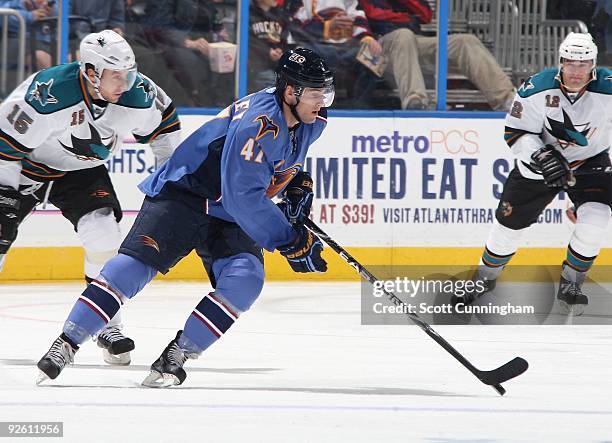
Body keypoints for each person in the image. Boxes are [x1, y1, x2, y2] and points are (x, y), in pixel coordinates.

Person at [36, 47, 333, 387]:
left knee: (245, 280)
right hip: (184, 195)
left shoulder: (311, 119)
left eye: (325, 91)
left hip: (225, 210)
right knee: (131, 268)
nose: (322, 100)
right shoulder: (259, 125)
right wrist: (289, 240)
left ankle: (177, 354)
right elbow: (244, 196)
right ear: (290, 91)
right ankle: (67, 342)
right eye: (315, 92)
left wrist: (296, 181)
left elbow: (273, 163)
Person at [0, 30, 181, 363]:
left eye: (128, 73)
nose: (125, 82)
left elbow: (165, 130)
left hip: (82, 171)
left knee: (104, 235)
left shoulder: (138, 92)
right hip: (26, 166)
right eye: (116, 75)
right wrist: (5, 198)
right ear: (91, 71)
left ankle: (106, 323)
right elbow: (5, 147)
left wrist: (170, 183)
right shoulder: (49, 94)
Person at [457, 33, 611, 316]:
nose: (576, 71)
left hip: (590, 164)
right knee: (508, 230)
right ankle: (484, 279)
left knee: (597, 219)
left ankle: (571, 282)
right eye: (570, 63)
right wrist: (540, 155)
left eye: (584, 64)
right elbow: (516, 132)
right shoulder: (535, 89)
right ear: (561, 62)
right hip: (538, 167)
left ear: (594, 64)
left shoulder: (609, 88)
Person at [358, 0, 515, 110]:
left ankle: (507, 99)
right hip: (377, 45)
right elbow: (367, 15)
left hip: (412, 41)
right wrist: (401, 16)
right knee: (403, 35)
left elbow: (426, 15)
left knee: (466, 41)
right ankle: (416, 102)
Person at [290, 0, 381, 108]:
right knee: (308, 57)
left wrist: (367, 37)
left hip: (348, 44)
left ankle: (361, 107)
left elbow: (357, 16)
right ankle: (316, 105)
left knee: (372, 56)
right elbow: (296, 30)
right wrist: (327, 26)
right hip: (317, 43)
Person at [248, 0, 290, 92]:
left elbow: (285, 40)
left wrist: (280, 50)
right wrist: (267, 52)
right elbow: (247, 41)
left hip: (277, 66)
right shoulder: (247, 14)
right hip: (256, 67)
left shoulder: (280, 15)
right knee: (273, 82)